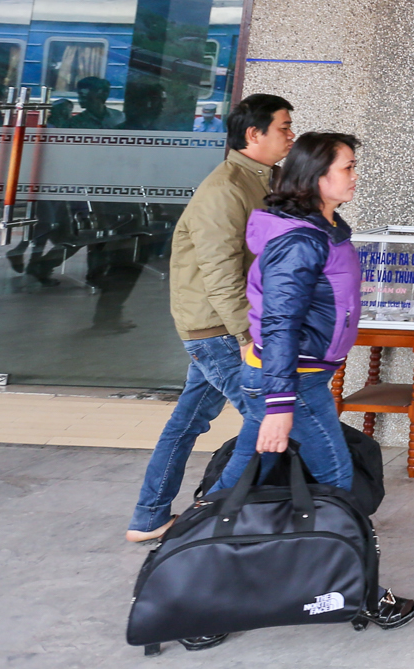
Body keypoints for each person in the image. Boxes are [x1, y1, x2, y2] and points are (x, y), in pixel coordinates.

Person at [215, 132, 414, 634]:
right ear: (315, 176)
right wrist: (280, 405)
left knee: (236, 487)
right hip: (295, 384)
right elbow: (280, 324)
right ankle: (364, 596)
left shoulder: (323, 229)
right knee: (338, 486)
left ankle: (192, 585)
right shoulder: (300, 240)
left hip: (291, 377)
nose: (355, 175)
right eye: (347, 167)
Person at [125, 94, 296, 544]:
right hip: (219, 330)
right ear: (254, 134)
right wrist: (247, 336)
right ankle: (206, 523)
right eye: (283, 127)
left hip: (222, 326)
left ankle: (148, 517)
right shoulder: (226, 189)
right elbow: (220, 273)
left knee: (187, 422)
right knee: (267, 421)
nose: (291, 136)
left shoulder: (261, 181)